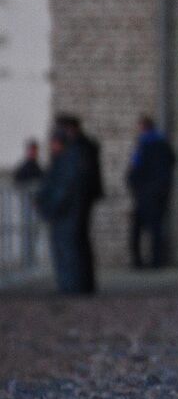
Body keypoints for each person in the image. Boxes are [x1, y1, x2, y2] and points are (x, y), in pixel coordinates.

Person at [56, 114, 102, 292]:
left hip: (78, 201)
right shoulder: (82, 146)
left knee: (76, 241)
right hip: (81, 199)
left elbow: (76, 177)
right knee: (78, 241)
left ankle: (79, 284)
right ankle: (80, 283)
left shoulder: (80, 148)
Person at [36, 129, 86, 294]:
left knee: (66, 250)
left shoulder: (66, 162)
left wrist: (50, 207)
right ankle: (68, 286)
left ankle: (70, 286)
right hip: (63, 212)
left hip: (65, 213)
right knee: (63, 250)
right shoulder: (63, 161)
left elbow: (63, 189)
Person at [125, 116, 176, 269]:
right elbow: (172, 162)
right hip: (160, 191)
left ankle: (138, 261)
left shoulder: (143, 145)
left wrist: (133, 183)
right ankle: (156, 259)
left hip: (145, 192)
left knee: (138, 228)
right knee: (156, 227)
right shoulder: (164, 144)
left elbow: (136, 167)